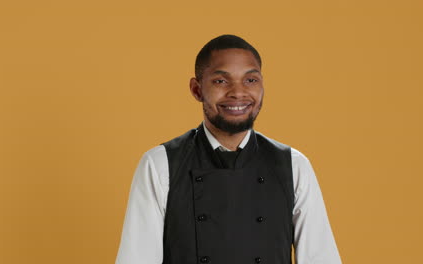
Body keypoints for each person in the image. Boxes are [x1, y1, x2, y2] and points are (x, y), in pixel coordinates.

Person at [115, 34, 342, 264]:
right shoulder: (160, 165)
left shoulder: (293, 165)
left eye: (250, 80)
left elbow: (321, 258)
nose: (238, 92)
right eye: (221, 81)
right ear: (197, 90)